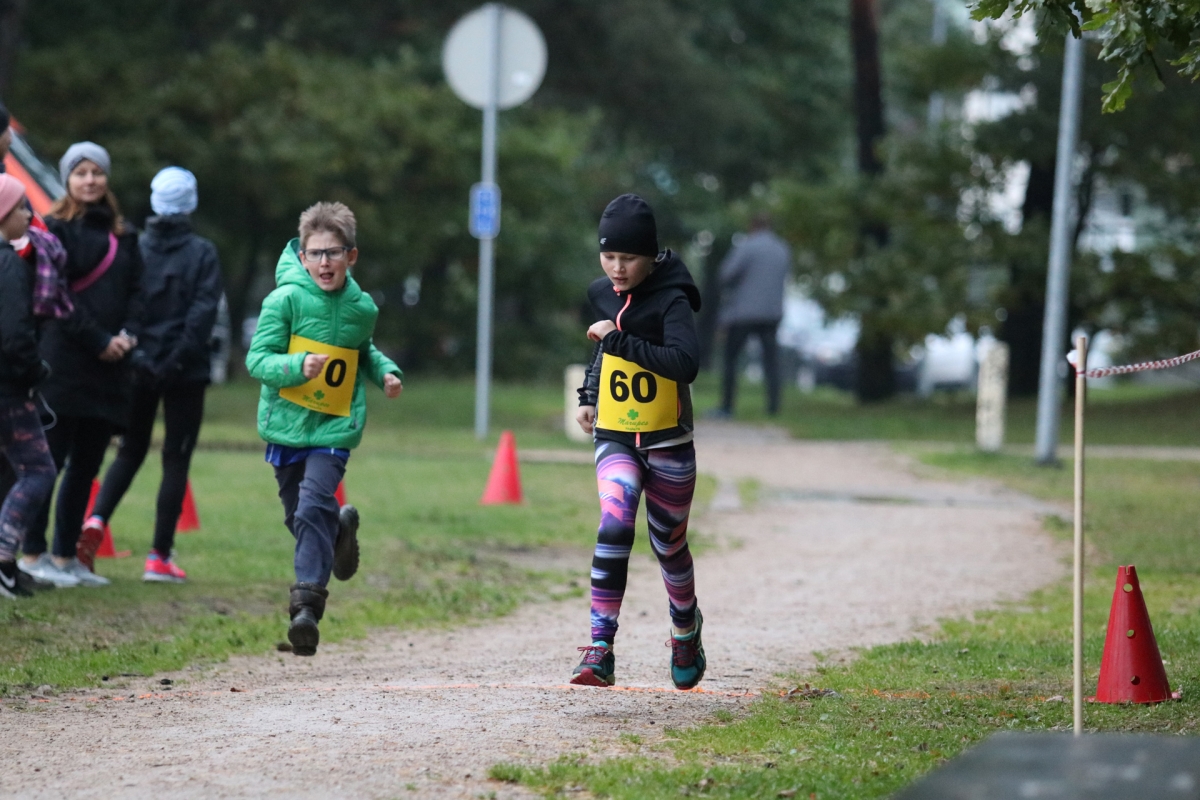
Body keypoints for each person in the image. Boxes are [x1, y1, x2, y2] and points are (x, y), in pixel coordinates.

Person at [246, 201, 402, 656]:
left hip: (334, 427)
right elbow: (258, 359)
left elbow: (364, 349)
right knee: (300, 516)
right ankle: (339, 534)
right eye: (315, 253)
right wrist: (298, 365)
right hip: (288, 426)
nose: (324, 263)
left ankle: (306, 607)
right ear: (301, 256)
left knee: (313, 503)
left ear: (351, 256)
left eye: (333, 253)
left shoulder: (361, 307)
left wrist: (386, 371)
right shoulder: (285, 300)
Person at [572, 193, 706, 690]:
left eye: (628, 257)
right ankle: (599, 648)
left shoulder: (673, 299)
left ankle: (685, 630)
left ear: (651, 255)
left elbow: (683, 364)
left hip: (668, 439)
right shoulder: (603, 293)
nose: (617, 268)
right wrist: (589, 393)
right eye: (608, 256)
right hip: (615, 435)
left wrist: (616, 340)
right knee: (614, 521)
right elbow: (604, 352)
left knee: (668, 545)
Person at [81, 167, 222, 584]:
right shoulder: (203, 253)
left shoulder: (135, 247)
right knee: (175, 458)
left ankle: (96, 520)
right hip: (185, 371)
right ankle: (159, 556)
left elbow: (128, 306)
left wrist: (142, 359)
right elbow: (201, 317)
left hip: (137, 368)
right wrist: (174, 362)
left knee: (129, 451)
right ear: (190, 203)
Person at [17, 142, 143, 588]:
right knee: (48, 462)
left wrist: (126, 335)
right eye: (80, 173)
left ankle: (66, 556)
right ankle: (32, 554)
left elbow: (136, 293)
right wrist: (98, 339)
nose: (90, 180)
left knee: (86, 467)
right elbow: (56, 297)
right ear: (68, 179)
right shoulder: (52, 231)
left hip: (109, 373)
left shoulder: (125, 237)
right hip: (63, 365)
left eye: (97, 172)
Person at [0, 175, 58, 598]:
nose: (29, 216)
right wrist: (36, 371)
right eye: (22, 208)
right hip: (9, 391)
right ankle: (3, 559)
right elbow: (15, 336)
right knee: (39, 470)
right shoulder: (7, 265)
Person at [716, 212, 791, 417]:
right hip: (772, 312)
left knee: (731, 359)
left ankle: (727, 406)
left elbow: (726, 274)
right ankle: (773, 407)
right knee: (771, 361)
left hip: (744, 313)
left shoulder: (747, 247)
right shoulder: (782, 248)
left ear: (753, 226)